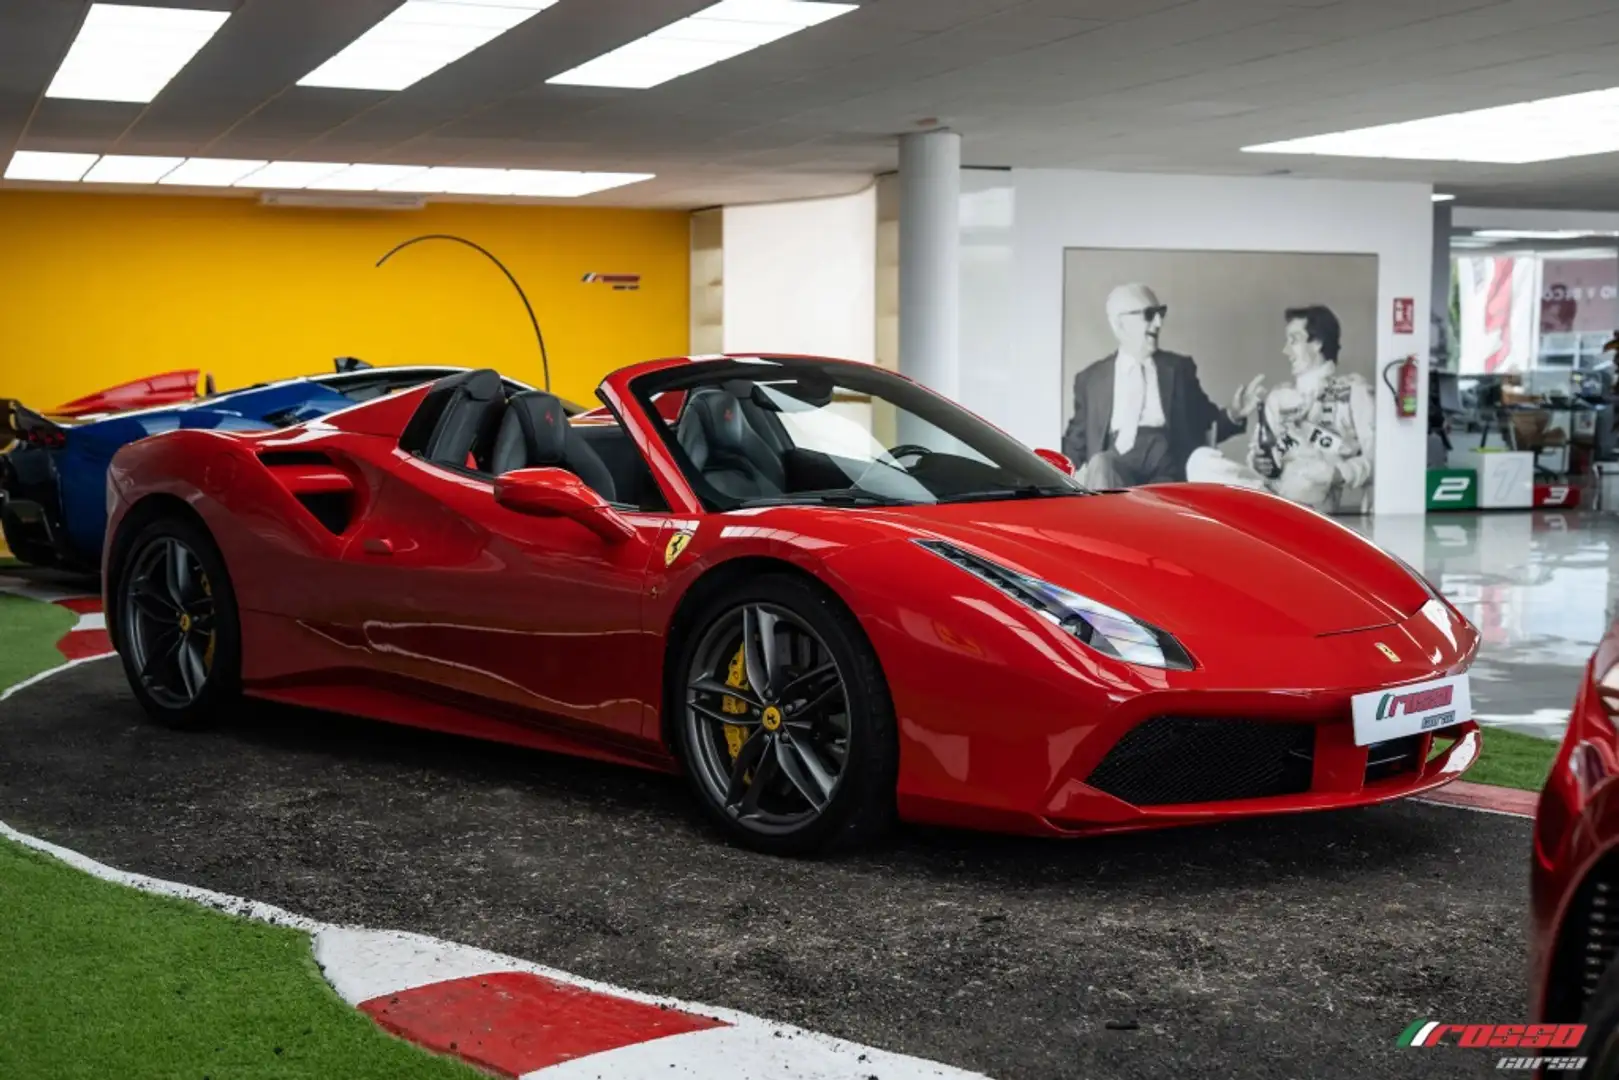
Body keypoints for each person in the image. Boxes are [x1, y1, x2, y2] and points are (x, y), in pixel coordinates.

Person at [1062, 283, 1264, 488]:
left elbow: (1205, 426)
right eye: (1149, 314)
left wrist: (1235, 413)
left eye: (1161, 313)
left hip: (1166, 463)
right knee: (1100, 464)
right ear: (1119, 324)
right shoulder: (1091, 379)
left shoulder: (1179, 369)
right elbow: (1075, 445)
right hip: (1115, 465)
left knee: (1163, 497)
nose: (1158, 323)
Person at [1186, 304, 1375, 512]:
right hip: (1271, 491)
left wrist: (1338, 473)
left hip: (1315, 500)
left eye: (1293, 340)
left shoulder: (1354, 391)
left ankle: (1268, 507)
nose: (1286, 350)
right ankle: (1267, 505)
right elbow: (1257, 456)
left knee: (1308, 474)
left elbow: (1377, 459)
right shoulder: (1279, 397)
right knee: (1199, 460)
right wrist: (1259, 462)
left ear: (1317, 343)